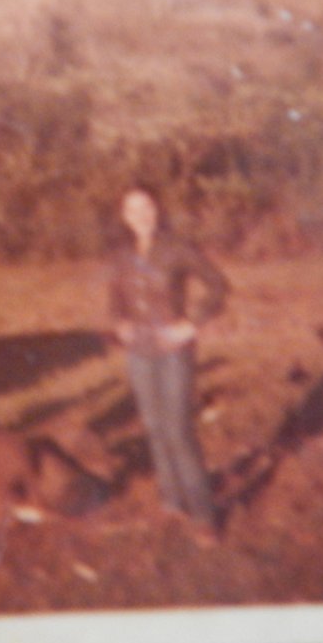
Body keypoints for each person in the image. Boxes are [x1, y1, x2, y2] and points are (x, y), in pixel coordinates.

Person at [108, 186, 231, 531]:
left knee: (178, 430)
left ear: (157, 209)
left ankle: (204, 515)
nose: (141, 215)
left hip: (173, 351)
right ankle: (172, 499)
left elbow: (218, 285)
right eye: (132, 209)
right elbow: (115, 298)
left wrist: (191, 324)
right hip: (139, 353)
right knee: (154, 427)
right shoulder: (121, 255)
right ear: (124, 216)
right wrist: (120, 323)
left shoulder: (177, 248)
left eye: (146, 206)